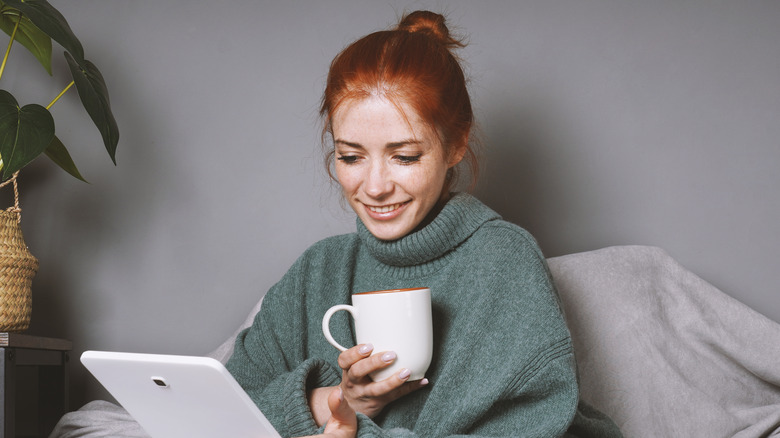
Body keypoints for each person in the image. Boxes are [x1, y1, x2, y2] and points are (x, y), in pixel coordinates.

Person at [226, 10, 622, 438]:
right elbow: (221, 405)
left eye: (405, 156)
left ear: (456, 144)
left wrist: (357, 433)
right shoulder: (318, 271)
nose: (375, 187)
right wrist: (337, 401)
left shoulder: (501, 262)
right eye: (351, 156)